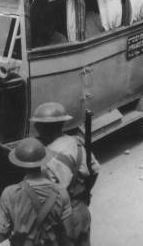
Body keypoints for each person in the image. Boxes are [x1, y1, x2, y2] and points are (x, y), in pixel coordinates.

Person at [33, 102, 100, 246]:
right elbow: (94, 170)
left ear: (43, 128)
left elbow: (48, 197)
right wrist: (83, 192)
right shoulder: (77, 142)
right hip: (81, 210)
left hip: (62, 218)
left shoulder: (47, 157)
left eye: (37, 125)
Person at [0, 137, 73, 246]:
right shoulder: (61, 191)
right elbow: (69, 233)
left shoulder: (9, 193)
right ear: (43, 161)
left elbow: (0, 237)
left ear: (18, 165)